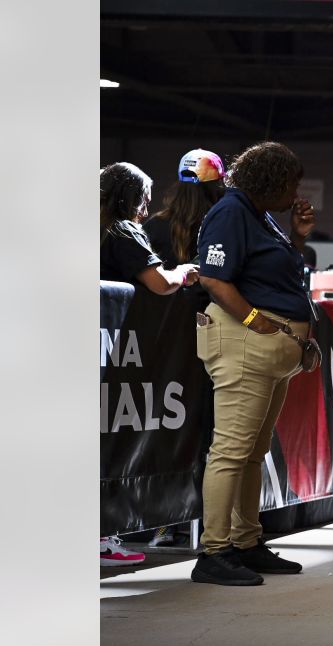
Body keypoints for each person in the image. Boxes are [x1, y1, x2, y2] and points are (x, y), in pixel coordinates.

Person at [191, 141, 316, 586]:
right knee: (230, 451)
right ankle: (214, 552)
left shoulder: (259, 215)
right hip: (245, 343)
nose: (297, 191)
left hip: (267, 349)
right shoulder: (231, 212)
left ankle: (245, 542)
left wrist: (297, 237)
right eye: (293, 182)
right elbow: (212, 276)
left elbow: (272, 272)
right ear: (274, 180)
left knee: (251, 453)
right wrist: (251, 318)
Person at [99, 161, 200, 567]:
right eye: (143, 197)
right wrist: (184, 271)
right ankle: (103, 536)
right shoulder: (122, 231)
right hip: (115, 356)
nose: (147, 206)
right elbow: (159, 284)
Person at [141, 148, 228, 548]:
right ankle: (197, 521)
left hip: (158, 346)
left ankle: (162, 520)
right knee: (207, 434)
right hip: (208, 341)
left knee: (162, 429)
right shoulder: (222, 226)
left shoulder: (154, 227)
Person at [100, 162, 199, 295]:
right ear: (129, 199)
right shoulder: (122, 231)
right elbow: (162, 284)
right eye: (144, 203)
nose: (145, 213)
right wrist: (184, 272)